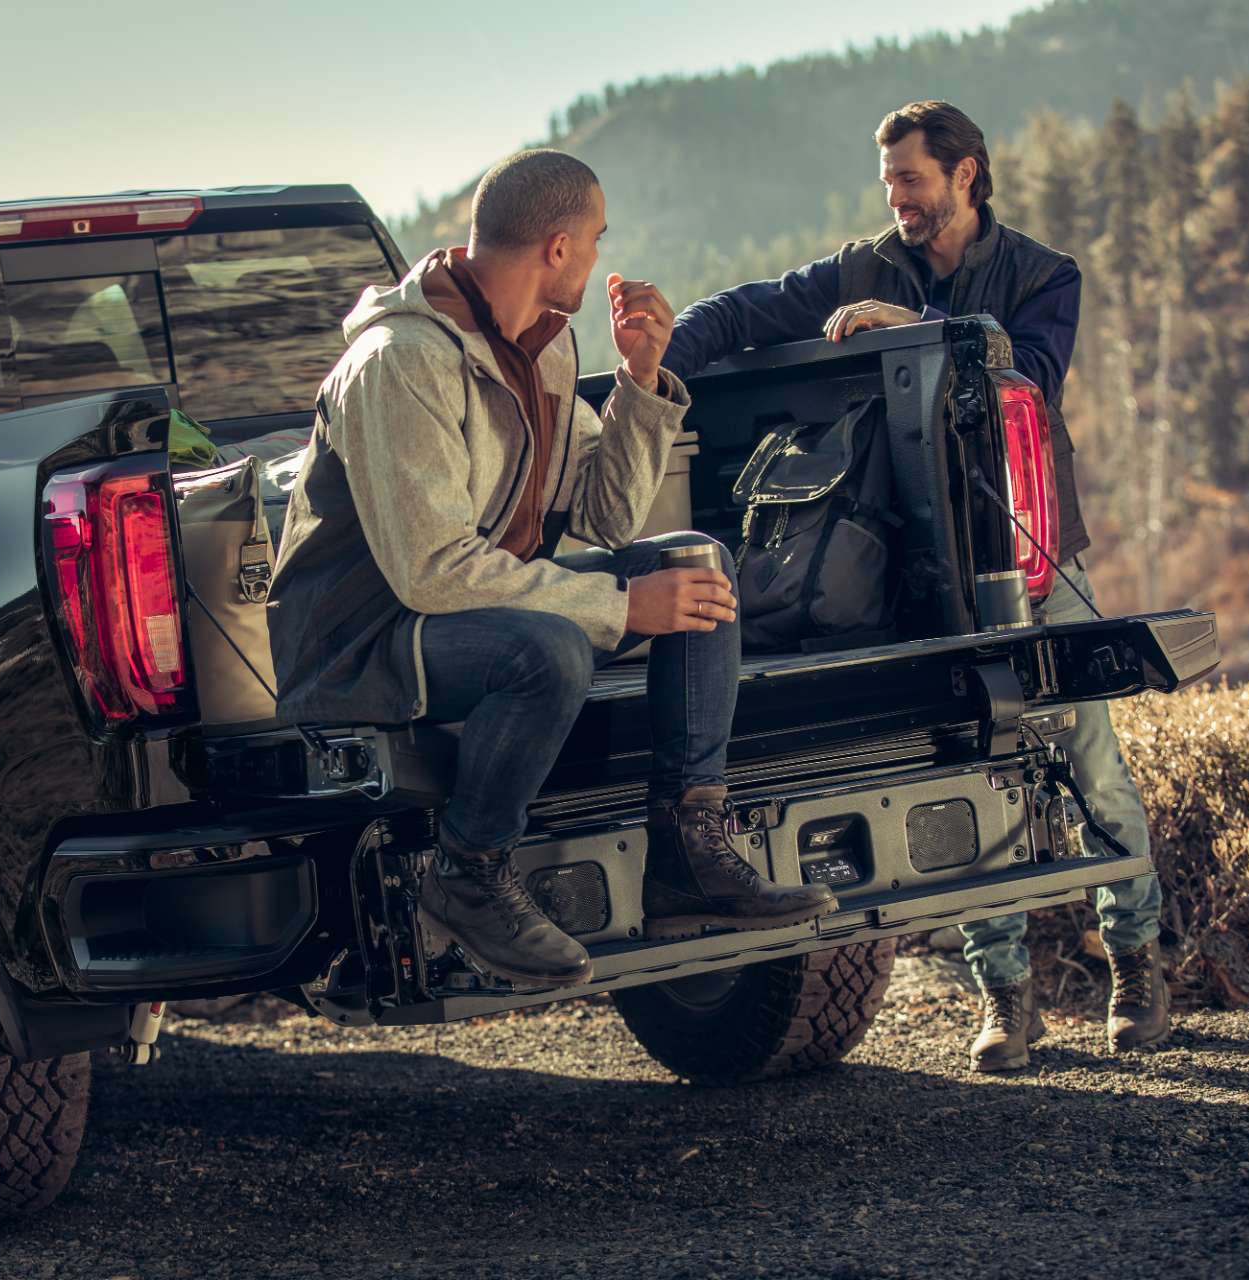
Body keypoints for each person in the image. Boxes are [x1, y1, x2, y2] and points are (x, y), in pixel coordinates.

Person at [662, 101, 1167, 1069]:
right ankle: (1005, 995)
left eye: (912, 178)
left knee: (1096, 764)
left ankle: (1138, 958)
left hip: (1034, 558)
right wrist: (656, 373)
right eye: (887, 178)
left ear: (966, 173)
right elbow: (734, 313)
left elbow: (1032, 373)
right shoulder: (857, 267)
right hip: (922, 576)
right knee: (970, 769)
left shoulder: (1043, 273)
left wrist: (919, 325)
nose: (896, 196)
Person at [267, 150, 838, 988]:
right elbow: (430, 574)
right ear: (559, 247)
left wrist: (641, 379)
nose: (604, 256)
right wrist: (619, 607)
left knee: (697, 564)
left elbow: (604, 516)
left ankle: (689, 848)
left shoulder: (545, 348)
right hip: (364, 640)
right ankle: (467, 872)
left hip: (469, 612)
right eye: (598, 239)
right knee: (552, 650)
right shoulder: (399, 361)